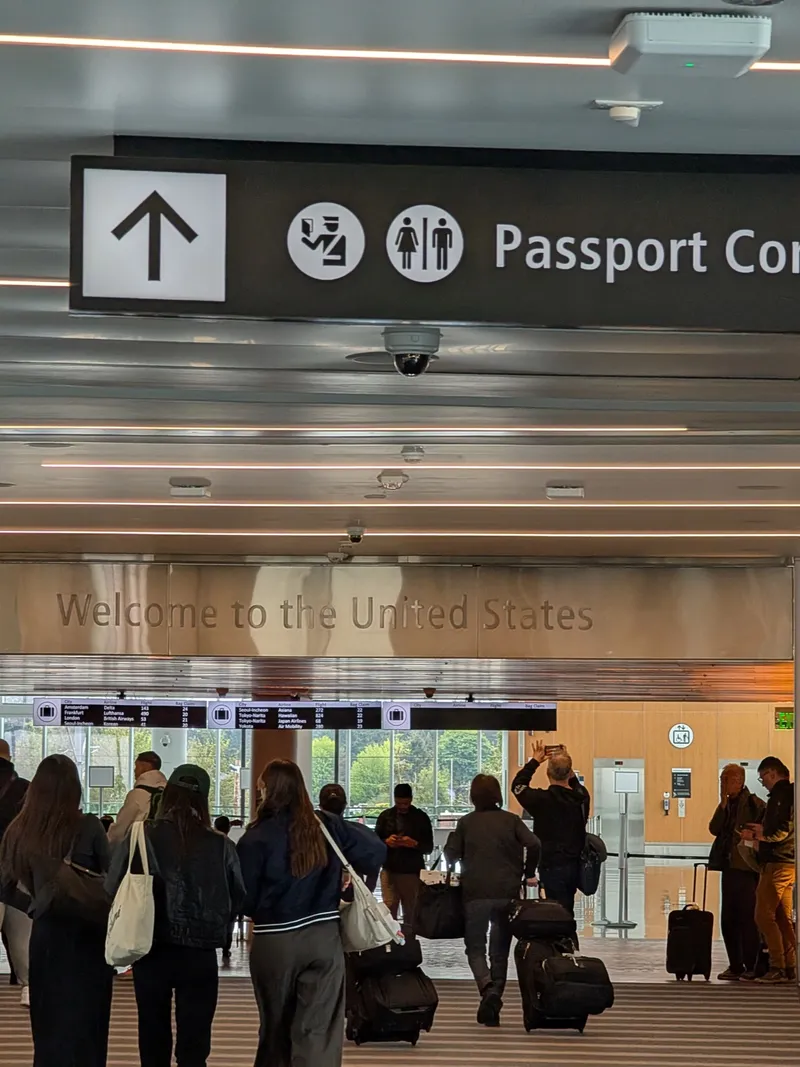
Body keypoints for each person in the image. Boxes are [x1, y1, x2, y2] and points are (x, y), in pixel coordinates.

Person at [237, 758, 385, 1067]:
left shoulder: (255, 837)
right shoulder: (326, 825)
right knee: (318, 1028)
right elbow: (374, 850)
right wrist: (343, 880)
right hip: (323, 938)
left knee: (275, 1028)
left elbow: (244, 899)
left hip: (274, 940)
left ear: (267, 790)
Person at [107, 764, 245, 1067]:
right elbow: (239, 898)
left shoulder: (140, 834)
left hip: (150, 946)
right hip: (200, 953)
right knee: (194, 1045)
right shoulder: (222, 845)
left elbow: (112, 886)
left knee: (153, 1035)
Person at [0, 753, 112, 1067]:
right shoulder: (89, 825)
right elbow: (112, 878)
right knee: (89, 1028)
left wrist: (37, 905)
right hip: (89, 937)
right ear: (74, 788)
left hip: (47, 938)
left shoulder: (20, 829)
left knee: (49, 1027)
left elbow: (4, 885)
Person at [445, 773, 541, 1027]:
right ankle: (495, 993)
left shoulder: (466, 823)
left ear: (473, 796)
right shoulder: (511, 821)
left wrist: (457, 855)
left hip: (475, 893)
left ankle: (486, 988)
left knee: (475, 948)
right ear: (498, 794)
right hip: (507, 893)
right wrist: (528, 873)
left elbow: (450, 855)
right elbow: (534, 844)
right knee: (499, 951)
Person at [511, 742, 590, 917]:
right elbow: (574, 782)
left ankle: (559, 941)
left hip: (551, 865)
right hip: (575, 864)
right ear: (570, 772)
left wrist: (535, 761)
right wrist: (565, 759)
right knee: (567, 908)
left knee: (555, 910)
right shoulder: (582, 797)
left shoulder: (541, 800)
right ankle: (570, 941)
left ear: (548, 773)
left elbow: (517, 785)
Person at [741, 757, 796, 984]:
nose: (762, 782)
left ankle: (778, 967)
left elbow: (781, 830)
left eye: (762, 777)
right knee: (782, 918)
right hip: (788, 862)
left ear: (772, 773)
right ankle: (791, 965)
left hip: (777, 862)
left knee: (763, 916)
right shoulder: (791, 794)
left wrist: (758, 836)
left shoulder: (781, 795)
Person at [708, 763, 765, 981]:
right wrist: (722, 805)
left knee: (747, 917)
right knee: (728, 918)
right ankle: (735, 964)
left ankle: (751, 964)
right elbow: (714, 828)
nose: (723, 783)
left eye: (726, 779)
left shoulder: (754, 804)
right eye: (721, 779)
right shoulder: (726, 805)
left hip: (746, 868)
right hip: (729, 867)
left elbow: (762, 833)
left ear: (739, 781)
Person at [0, 737, 31, 1006]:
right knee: (21, 931)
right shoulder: (24, 789)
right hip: (16, 867)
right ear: (9, 757)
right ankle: (28, 985)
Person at [375, 784, 434, 926]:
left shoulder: (421, 818)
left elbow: (429, 847)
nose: (402, 806)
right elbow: (375, 842)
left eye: (406, 803)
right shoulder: (385, 817)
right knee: (389, 908)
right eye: (399, 803)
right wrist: (386, 842)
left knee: (411, 910)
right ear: (394, 800)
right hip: (389, 868)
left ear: (412, 799)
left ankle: (408, 941)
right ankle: (392, 941)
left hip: (411, 872)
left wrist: (414, 844)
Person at [318, 783, 383, 892]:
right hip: (350, 895)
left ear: (320, 807)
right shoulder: (359, 833)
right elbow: (376, 860)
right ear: (345, 806)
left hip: (318, 900)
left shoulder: (307, 833)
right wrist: (367, 893)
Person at [108, 750, 167, 845]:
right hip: (164, 847)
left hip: (140, 848)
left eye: (137, 766)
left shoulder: (138, 794)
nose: (135, 771)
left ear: (145, 767)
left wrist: (108, 845)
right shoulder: (168, 792)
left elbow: (121, 829)